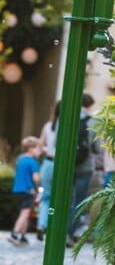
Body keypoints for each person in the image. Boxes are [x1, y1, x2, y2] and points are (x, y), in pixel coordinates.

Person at [67, 93, 104, 247]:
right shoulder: (93, 121)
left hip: (68, 166)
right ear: (89, 105)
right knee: (79, 202)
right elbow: (97, 147)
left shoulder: (69, 117)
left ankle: (59, 231)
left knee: (66, 200)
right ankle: (70, 233)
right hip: (85, 166)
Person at [8, 136, 43, 246]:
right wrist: (38, 189)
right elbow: (36, 178)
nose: (40, 152)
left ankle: (23, 237)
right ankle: (14, 234)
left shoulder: (20, 159)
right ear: (30, 148)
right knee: (25, 213)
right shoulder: (33, 162)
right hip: (28, 190)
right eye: (38, 149)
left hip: (17, 190)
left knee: (24, 212)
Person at [37, 100, 60, 241]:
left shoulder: (48, 126)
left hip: (48, 162)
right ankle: (53, 228)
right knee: (59, 198)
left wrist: (49, 150)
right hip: (59, 164)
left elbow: (40, 146)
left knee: (45, 197)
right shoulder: (66, 126)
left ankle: (41, 224)